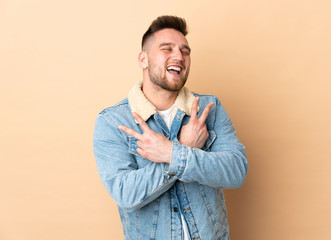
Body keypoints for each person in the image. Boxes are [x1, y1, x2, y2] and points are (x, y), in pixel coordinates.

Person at [93, 15, 248, 240]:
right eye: (167, 49)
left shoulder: (209, 107)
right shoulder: (113, 121)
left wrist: (171, 153)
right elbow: (126, 194)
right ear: (143, 59)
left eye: (185, 51)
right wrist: (184, 148)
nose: (179, 56)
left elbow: (236, 171)